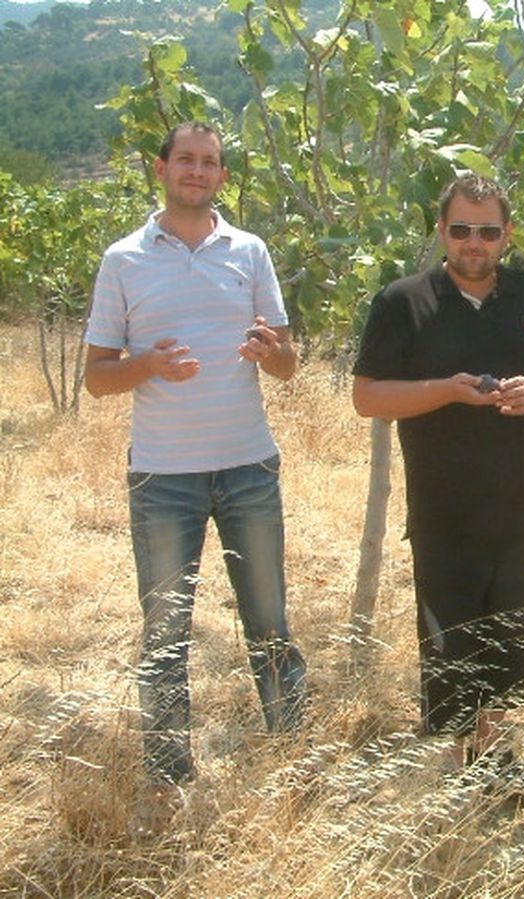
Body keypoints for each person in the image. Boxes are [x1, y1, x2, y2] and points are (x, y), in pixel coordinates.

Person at [84, 122, 308, 807]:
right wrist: (147, 365)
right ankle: (167, 777)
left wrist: (269, 352)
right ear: (161, 169)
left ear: (222, 177)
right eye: (186, 159)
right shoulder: (123, 260)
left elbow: (288, 364)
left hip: (248, 467)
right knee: (164, 633)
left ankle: (292, 761)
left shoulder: (250, 251)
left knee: (270, 623)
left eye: (210, 162)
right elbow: (96, 377)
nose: (197, 170)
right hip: (163, 477)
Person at [351, 173, 524, 800]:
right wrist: (447, 391)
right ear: (441, 231)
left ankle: (496, 755)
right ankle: (459, 766)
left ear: (507, 234)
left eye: (487, 231)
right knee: (449, 640)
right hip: (442, 512)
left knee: (512, 636)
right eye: (461, 230)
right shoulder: (403, 301)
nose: (473, 242)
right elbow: (367, 396)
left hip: (521, 510)